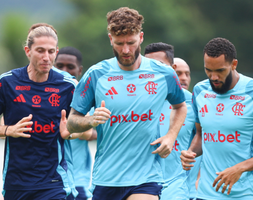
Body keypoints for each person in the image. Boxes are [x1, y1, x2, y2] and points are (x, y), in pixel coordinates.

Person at [67, 7, 187, 200]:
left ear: (141, 37)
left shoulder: (163, 73)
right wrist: (90, 120)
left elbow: (180, 106)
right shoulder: (96, 74)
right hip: (106, 178)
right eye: (119, 43)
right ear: (110, 39)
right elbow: (71, 122)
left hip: (146, 177)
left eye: (131, 43)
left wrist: (171, 136)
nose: (125, 50)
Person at [180, 37, 253, 200]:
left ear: (234, 64)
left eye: (220, 71)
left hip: (246, 193)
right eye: (208, 70)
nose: (213, 77)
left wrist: (240, 168)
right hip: (206, 193)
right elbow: (201, 135)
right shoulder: (200, 91)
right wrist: (191, 152)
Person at [0, 23, 77, 200]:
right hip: (16, 182)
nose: (46, 57)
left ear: (56, 52)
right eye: (40, 51)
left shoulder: (68, 85)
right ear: (28, 51)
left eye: (51, 52)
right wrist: (8, 130)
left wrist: (72, 131)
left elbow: (85, 125)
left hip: (54, 181)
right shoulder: (7, 83)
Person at [145, 43, 196, 200]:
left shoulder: (192, 102)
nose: (153, 71)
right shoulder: (135, 99)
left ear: (171, 68)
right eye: (149, 65)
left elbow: (205, 140)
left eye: (159, 65)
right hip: (140, 186)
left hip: (176, 188)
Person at [54, 47, 97, 200]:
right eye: (60, 66)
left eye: (70, 67)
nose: (64, 71)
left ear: (79, 70)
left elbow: (93, 133)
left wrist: (72, 130)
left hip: (77, 179)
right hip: (46, 179)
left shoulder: (87, 99)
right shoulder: (43, 95)